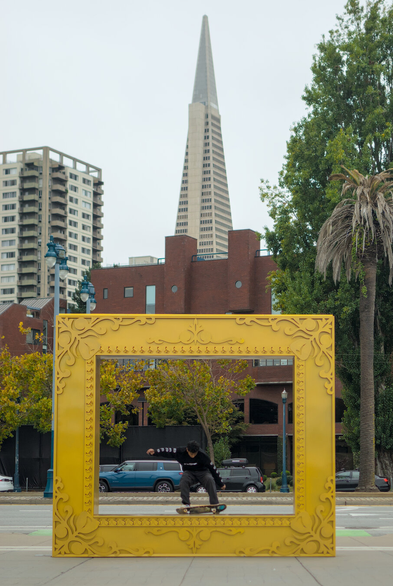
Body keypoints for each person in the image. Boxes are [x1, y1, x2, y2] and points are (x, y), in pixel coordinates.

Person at [147, 440, 226, 507]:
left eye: (194, 454)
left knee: (209, 480)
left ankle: (214, 503)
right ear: (187, 450)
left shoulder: (203, 456)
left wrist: (220, 483)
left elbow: (213, 469)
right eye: (191, 454)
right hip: (189, 473)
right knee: (184, 481)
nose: (192, 456)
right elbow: (168, 451)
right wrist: (155, 452)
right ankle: (186, 504)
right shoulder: (180, 452)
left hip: (203, 473)